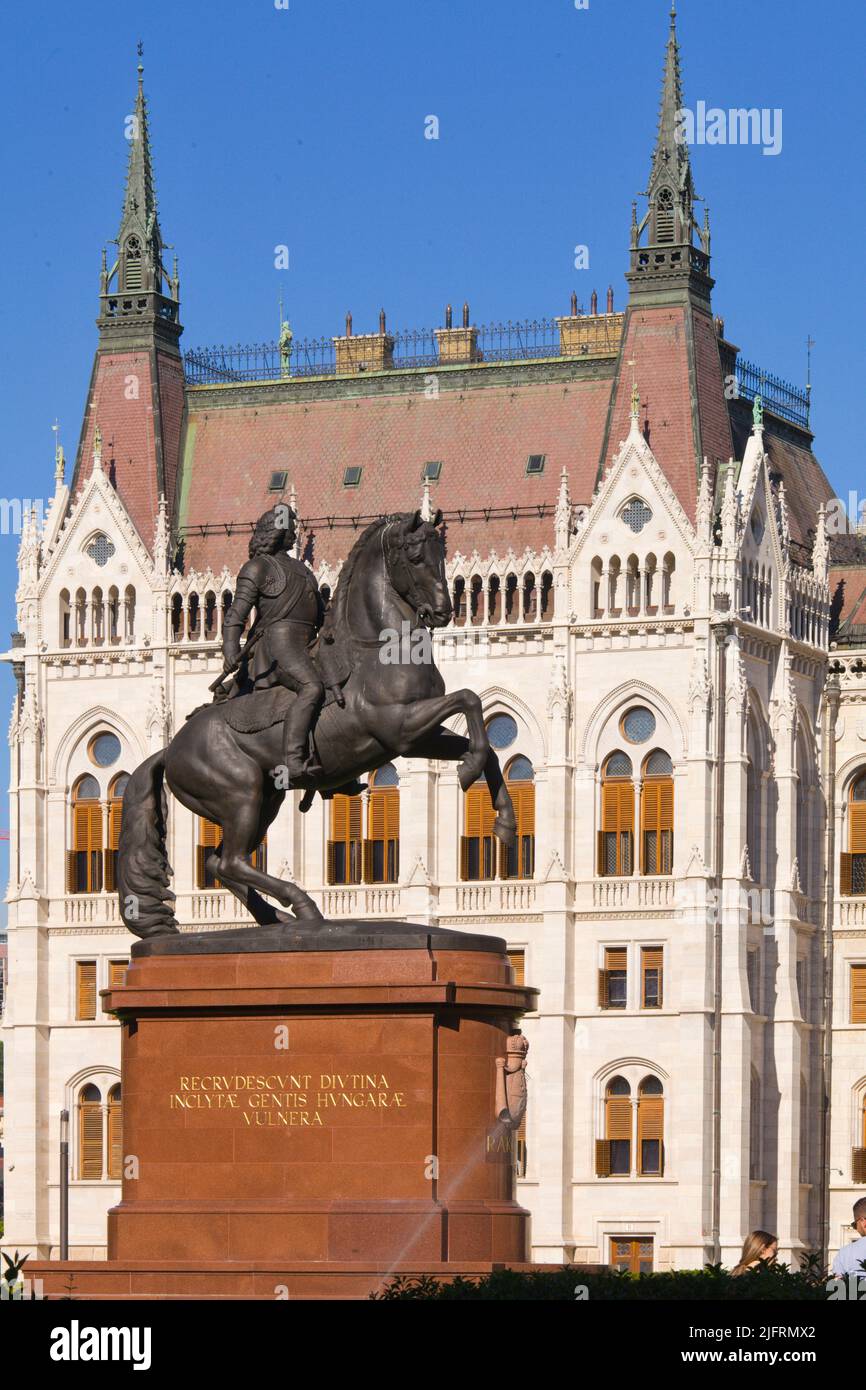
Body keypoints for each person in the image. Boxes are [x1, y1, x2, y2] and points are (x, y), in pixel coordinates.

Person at [220, 505, 341, 783]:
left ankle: (336, 768)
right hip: (276, 649)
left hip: (308, 645)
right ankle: (293, 760)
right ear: (276, 531)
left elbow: (321, 616)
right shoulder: (257, 568)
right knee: (311, 687)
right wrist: (230, 650)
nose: (295, 533)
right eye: (290, 527)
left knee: (342, 686)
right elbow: (235, 616)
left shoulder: (303, 571)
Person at [831, 1198, 866, 1278]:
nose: (856, 1229)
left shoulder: (846, 1253)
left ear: (863, 1222)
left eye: (855, 1225)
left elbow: (837, 1285)